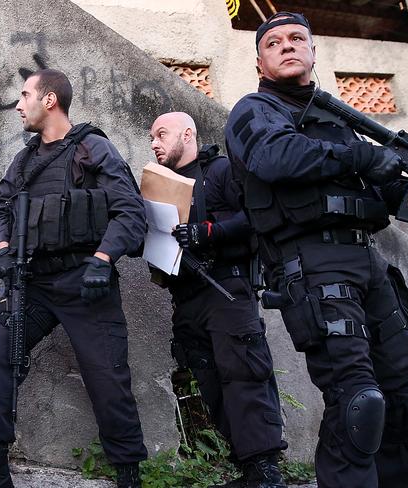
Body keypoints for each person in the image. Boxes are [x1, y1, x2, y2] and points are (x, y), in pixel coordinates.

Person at [224, 12, 408, 488]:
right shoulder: (254, 111)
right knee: (358, 402)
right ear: (260, 63)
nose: (287, 46)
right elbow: (276, 158)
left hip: (368, 262)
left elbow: (378, 190)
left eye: (297, 39)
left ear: (313, 51)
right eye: (274, 43)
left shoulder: (338, 121)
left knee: (407, 397)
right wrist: (366, 154)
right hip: (312, 263)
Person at [0, 69, 148, 488]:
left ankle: (128, 476)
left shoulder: (91, 148)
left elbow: (130, 210)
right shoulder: (25, 160)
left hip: (86, 282)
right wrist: (3, 251)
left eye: (26, 94)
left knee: (107, 374)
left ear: (50, 101)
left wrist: (103, 259)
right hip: (34, 285)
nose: (18, 103)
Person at [148, 112, 288, 488]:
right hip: (187, 298)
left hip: (227, 289)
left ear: (188, 134)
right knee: (210, 382)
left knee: (244, 376)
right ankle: (248, 470)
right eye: (151, 138)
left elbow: (255, 217)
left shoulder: (221, 170)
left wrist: (206, 232)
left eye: (162, 134)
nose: (155, 143)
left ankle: (266, 472)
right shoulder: (162, 184)